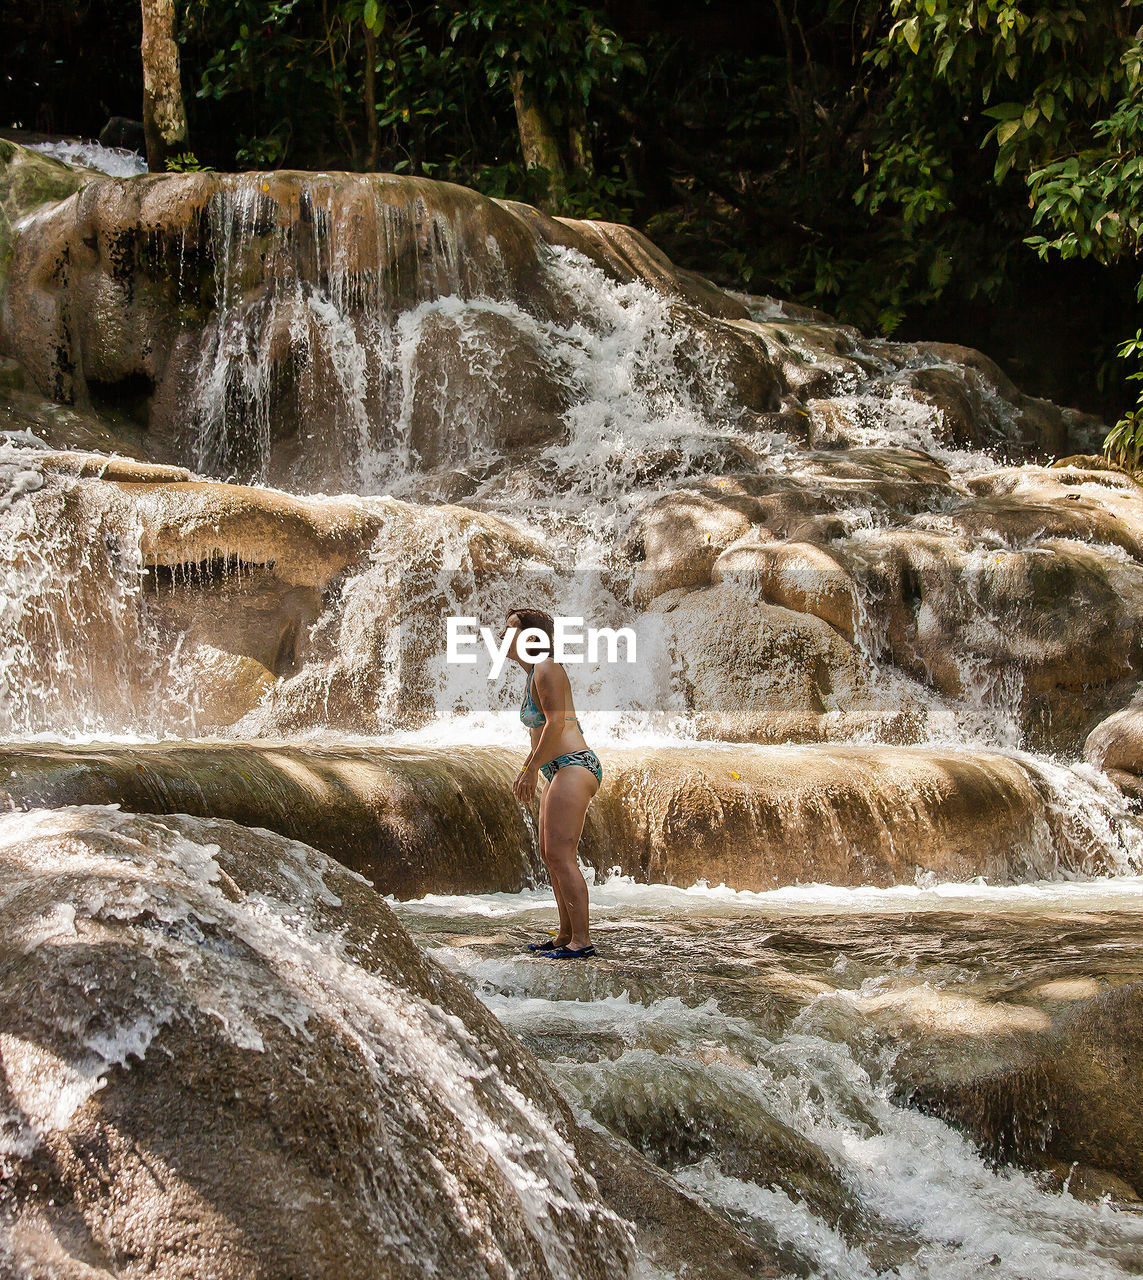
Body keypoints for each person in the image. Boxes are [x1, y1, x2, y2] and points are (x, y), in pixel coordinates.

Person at [501, 606, 602, 960]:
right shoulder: (533, 673)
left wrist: (529, 769)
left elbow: (556, 725)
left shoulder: (546, 668)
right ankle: (565, 934)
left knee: (561, 855)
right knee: (549, 854)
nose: (503, 636)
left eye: (512, 628)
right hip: (558, 768)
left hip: (574, 765)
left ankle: (582, 941)